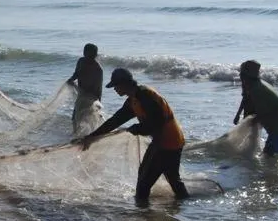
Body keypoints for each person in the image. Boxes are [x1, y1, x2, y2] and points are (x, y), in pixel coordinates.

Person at [81, 68, 188, 206]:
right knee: (173, 180)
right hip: (173, 141)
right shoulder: (134, 100)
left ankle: (143, 213)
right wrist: (92, 136)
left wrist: (136, 129)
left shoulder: (145, 96)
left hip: (165, 143)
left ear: (124, 83)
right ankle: (185, 209)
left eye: (116, 86)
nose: (115, 89)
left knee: (143, 184)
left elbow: (157, 123)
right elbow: (115, 120)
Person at [234, 60, 278, 158]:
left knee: (273, 156)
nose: (240, 76)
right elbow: (246, 98)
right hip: (274, 125)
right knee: (267, 153)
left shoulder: (257, 89)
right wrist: (238, 115)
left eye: (242, 74)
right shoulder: (253, 85)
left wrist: (249, 123)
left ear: (247, 76)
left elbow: (264, 112)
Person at [67, 43, 103, 133]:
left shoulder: (98, 69)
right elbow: (76, 73)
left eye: (91, 55)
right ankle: (75, 134)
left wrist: (98, 103)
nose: (89, 57)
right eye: (87, 54)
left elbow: (99, 88)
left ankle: (92, 135)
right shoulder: (81, 61)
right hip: (81, 94)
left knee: (90, 119)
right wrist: (71, 79)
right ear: (84, 53)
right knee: (75, 117)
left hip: (91, 97)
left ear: (95, 55)